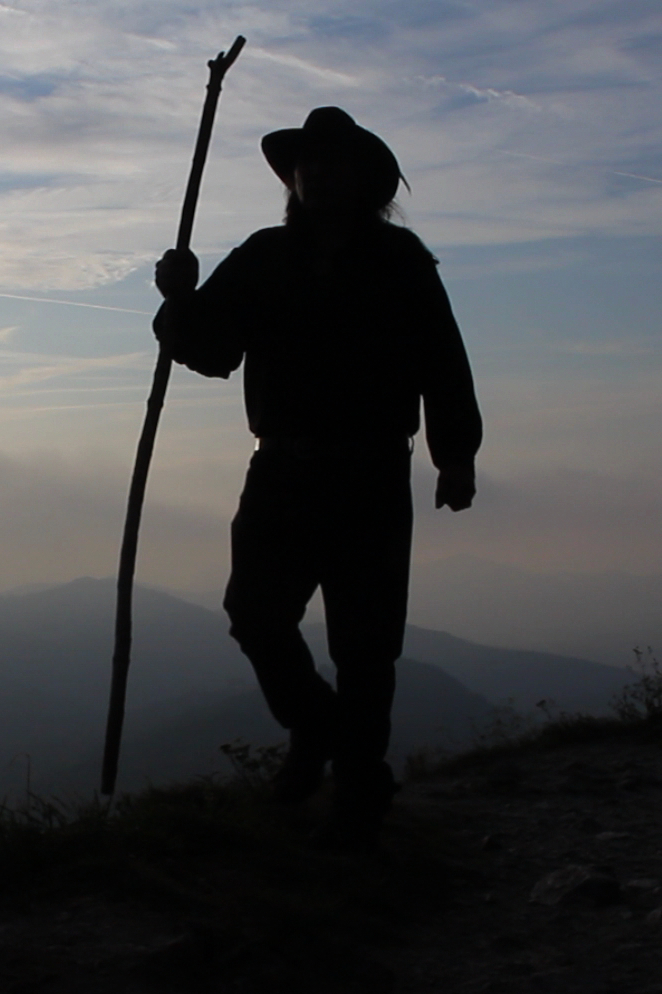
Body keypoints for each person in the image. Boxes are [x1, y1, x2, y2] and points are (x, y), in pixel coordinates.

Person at [152, 106, 481, 846]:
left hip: (369, 472)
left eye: (335, 164)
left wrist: (454, 454)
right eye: (309, 164)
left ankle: (358, 783)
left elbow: (442, 361)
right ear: (293, 179)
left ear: (363, 181)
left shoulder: (401, 262)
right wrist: (181, 300)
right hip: (284, 469)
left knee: (365, 643)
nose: (319, 174)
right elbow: (212, 350)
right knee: (256, 614)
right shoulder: (266, 256)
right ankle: (322, 732)